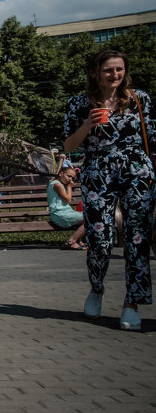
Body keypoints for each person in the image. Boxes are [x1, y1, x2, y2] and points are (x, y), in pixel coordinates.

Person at [63, 49, 153, 331]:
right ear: (95, 72)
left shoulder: (139, 99)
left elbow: (152, 138)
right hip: (97, 171)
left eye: (119, 70)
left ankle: (132, 303)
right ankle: (97, 286)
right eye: (108, 70)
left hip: (137, 171)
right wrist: (88, 124)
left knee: (137, 238)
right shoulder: (78, 103)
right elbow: (68, 146)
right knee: (99, 238)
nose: (115, 75)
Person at [48, 165, 86, 249]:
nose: (70, 179)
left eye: (72, 178)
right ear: (61, 173)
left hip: (64, 214)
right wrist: (69, 187)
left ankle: (77, 241)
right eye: (69, 176)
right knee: (90, 219)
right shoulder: (57, 185)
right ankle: (71, 241)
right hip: (59, 215)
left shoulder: (59, 184)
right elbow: (68, 200)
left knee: (90, 218)